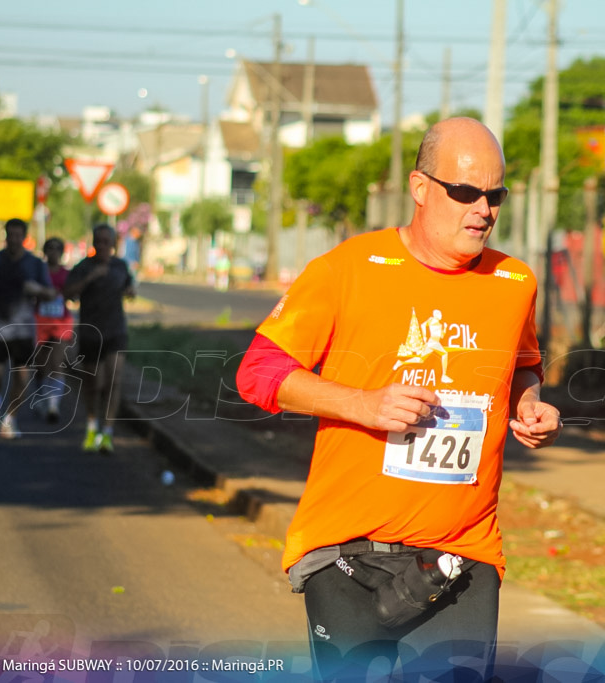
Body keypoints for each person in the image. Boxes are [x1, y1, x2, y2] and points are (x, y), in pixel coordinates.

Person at [236, 117, 563, 680]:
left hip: (463, 552)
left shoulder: (515, 283)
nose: (482, 209)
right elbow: (258, 374)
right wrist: (361, 404)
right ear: (419, 188)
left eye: (495, 195)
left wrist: (528, 403)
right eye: (464, 192)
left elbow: (522, 365)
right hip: (346, 551)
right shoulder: (347, 270)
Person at [0, 218, 55, 439]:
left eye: (19, 235)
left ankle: (10, 419)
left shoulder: (35, 263)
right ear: (6, 236)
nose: (14, 239)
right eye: (11, 235)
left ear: (25, 237)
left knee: (22, 376)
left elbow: (51, 293)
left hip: (23, 327)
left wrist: (37, 288)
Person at [63, 224, 135, 454]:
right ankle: (92, 425)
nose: (102, 245)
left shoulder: (120, 266)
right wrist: (90, 279)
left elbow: (128, 286)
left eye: (106, 241)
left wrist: (130, 291)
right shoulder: (84, 266)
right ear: (93, 243)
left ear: (113, 244)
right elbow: (68, 293)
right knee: (95, 384)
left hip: (116, 331)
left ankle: (107, 433)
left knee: (114, 381)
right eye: (98, 241)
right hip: (90, 332)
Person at [33, 237, 74, 423]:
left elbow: (73, 295)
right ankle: (42, 394)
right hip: (39, 320)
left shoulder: (67, 274)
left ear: (62, 252)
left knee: (57, 362)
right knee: (41, 365)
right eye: (50, 248)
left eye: (58, 249)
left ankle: (53, 406)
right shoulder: (38, 272)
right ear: (45, 251)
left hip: (61, 321)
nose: (54, 252)